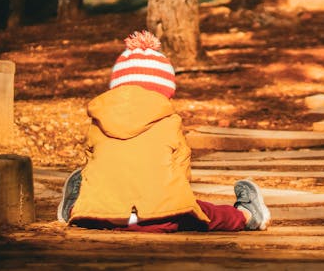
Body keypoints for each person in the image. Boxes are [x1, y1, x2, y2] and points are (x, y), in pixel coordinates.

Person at [56, 30, 270, 232]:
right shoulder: (169, 122)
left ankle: (74, 210)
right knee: (204, 213)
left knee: (97, 201)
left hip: (104, 217)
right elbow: (182, 171)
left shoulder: (99, 119)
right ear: (165, 90)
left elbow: (91, 164)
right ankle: (248, 215)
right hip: (162, 219)